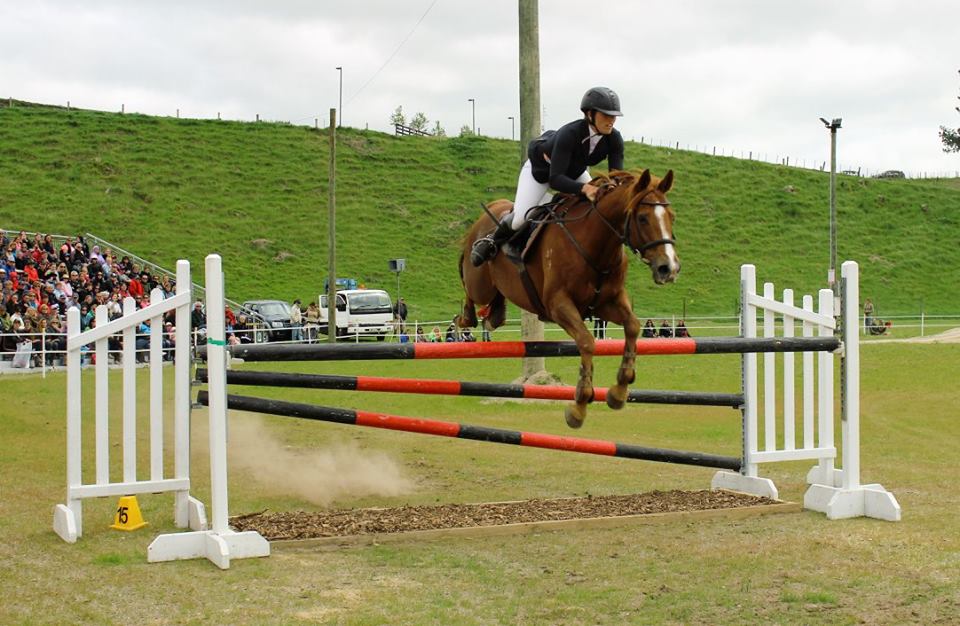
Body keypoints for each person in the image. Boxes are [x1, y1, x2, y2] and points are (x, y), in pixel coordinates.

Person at [471, 87, 626, 266]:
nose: (612, 120)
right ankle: (491, 240)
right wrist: (586, 188)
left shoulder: (614, 139)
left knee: (596, 206)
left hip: (574, 173)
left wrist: (613, 188)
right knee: (520, 218)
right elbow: (556, 179)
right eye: (606, 115)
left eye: (614, 116)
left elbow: (616, 176)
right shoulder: (570, 133)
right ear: (590, 114)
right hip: (540, 173)